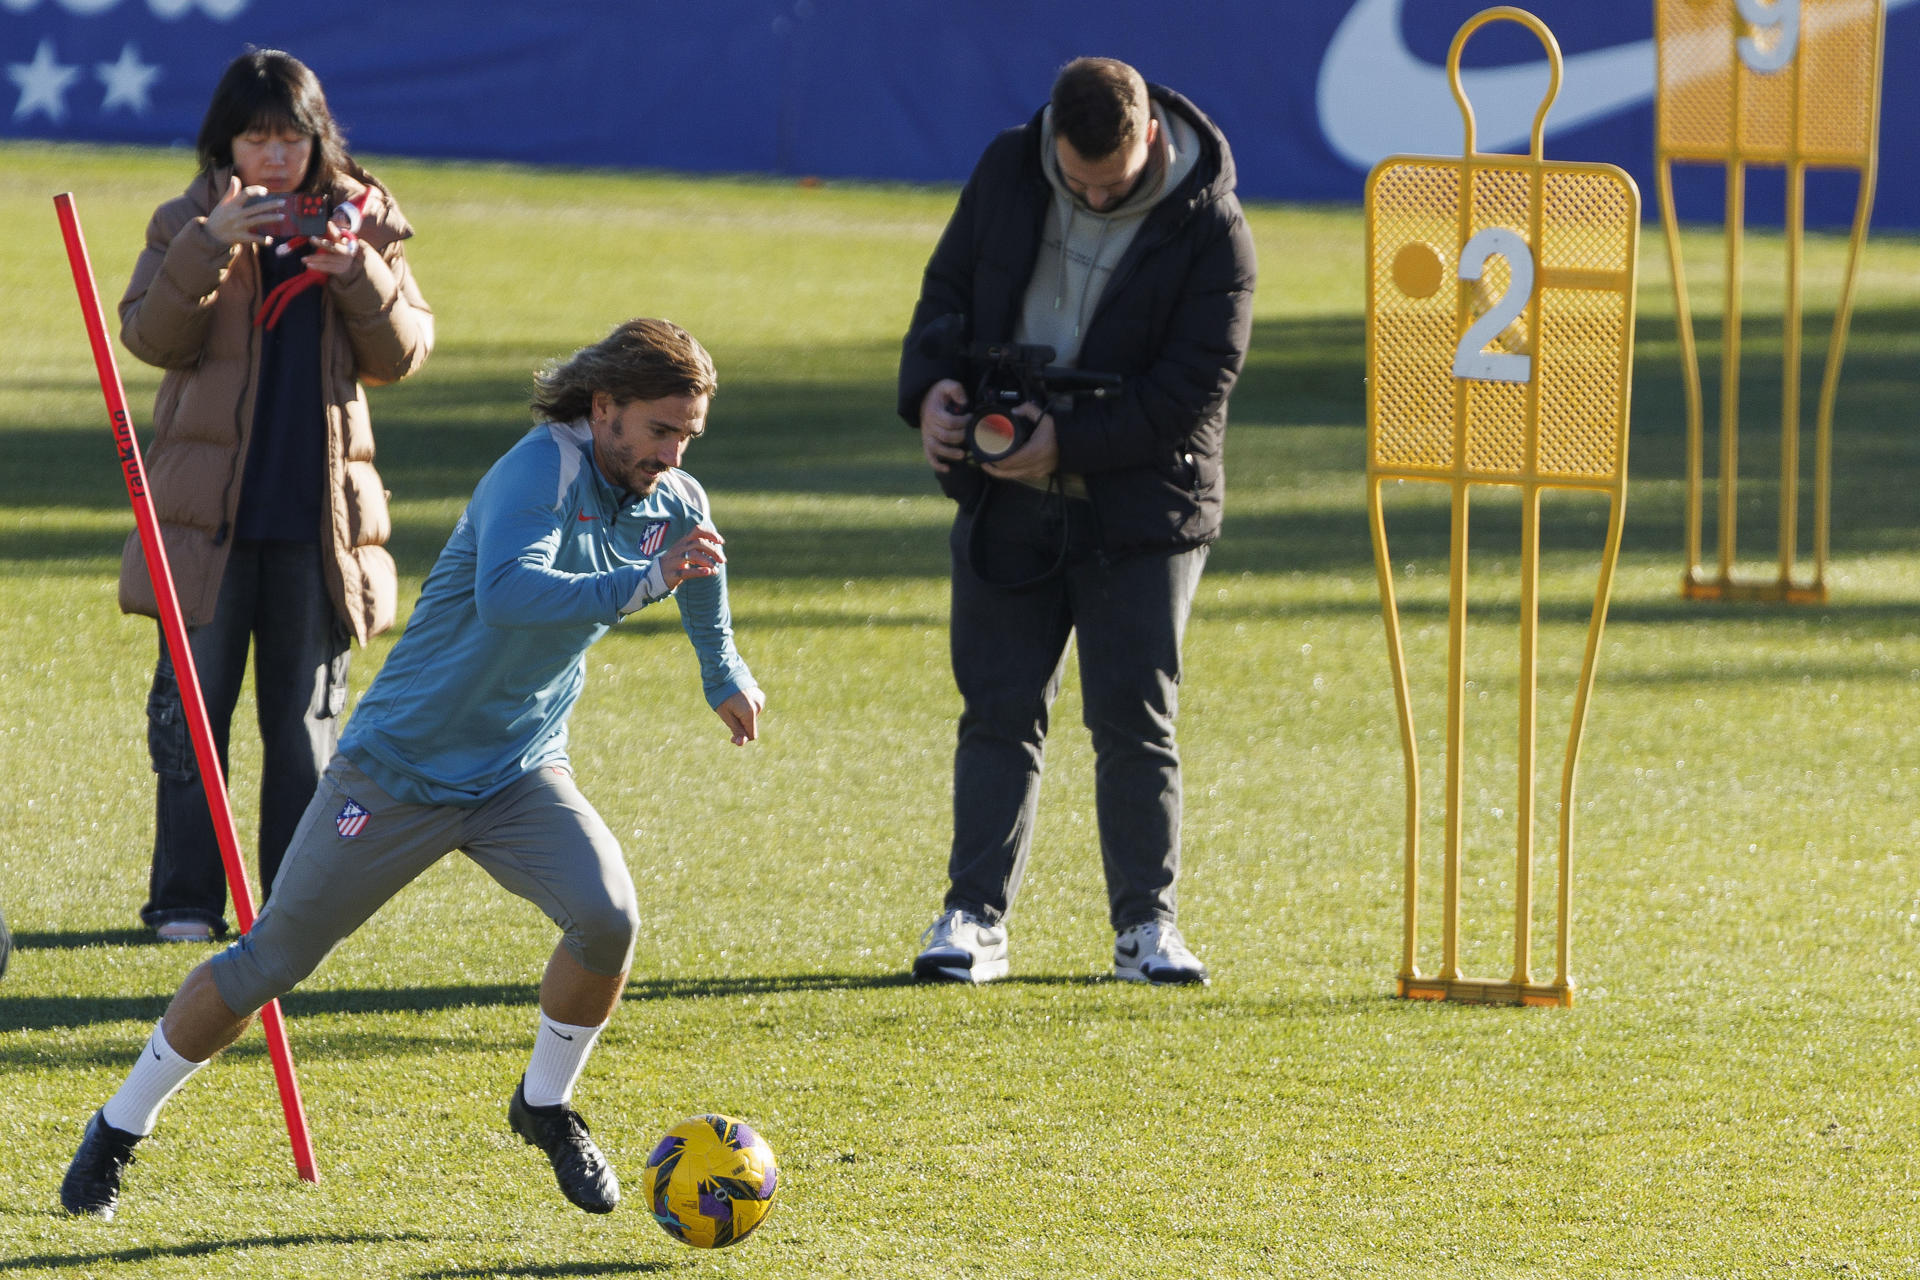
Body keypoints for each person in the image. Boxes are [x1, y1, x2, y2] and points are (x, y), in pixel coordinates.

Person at [61, 318, 764, 1220]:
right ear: (604, 410)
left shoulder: (669, 493)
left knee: (608, 918)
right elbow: (507, 595)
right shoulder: (534, 472)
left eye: (687, 436)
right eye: (660, 430)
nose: (672, 454)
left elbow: (698, 559)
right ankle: (118, 1128)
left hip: (519, 772)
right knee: (269, 960)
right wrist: (643, 581)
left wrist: (723, 670)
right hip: (395, 773)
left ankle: (544, 1106)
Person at [897, 57, 1256, 986]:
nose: (1093, 197)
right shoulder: (1010, 168)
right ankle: (972, 919)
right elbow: (945, 293)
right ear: (1053, 136)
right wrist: (933, 390)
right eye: (1077, 180)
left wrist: (1069, 442)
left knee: (1136, 723)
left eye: (1112, 183)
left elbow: (1190, 393)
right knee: (997, 710)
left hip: (1145, 511)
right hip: (1006, 493)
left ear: (1149, 137)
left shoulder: (1214, 227)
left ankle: (1147, 929)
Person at [120, 49, 433, 943]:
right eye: (256, 137)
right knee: (190, 719)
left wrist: (358, 274)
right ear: (226, 142)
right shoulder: (188, 218)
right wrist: (209, 244)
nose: (273, 156)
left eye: (290, 137)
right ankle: (184, 903)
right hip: (204, 520)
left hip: (318, 523)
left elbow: (403, 355)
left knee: (306, 727)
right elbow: (148, 335)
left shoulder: (364, 217)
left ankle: (290, 913)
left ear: (315, 139)